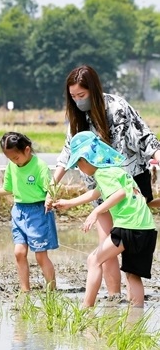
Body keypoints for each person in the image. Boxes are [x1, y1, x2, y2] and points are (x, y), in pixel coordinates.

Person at [52, 64, 160, 298]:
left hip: (130, 182)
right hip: (99, 187)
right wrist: (53, 187)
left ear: (93, 89)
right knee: (106, 244)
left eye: (81, 95)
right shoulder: (76, 117)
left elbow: (145, 140)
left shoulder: (117, 107)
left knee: (128, 252)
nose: (78, 100)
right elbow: (67, 153)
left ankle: (132, 303)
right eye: (73, 97)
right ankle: (113, 298)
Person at [53, 131, 157, 308]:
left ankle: (86, 307)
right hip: (146, 228)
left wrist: (95, 212)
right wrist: (69, 203)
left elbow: (119, 193)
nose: (79, 168)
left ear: (86, 159)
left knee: (93, 260)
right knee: (133, 275)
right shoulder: (114, 170)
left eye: (78, 163)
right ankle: (136, 319)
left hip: (129, 225)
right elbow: (97, 192)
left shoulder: (102, 174)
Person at [0, 132, 59, 292]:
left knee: (40, 255)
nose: (14, 162)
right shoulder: (12, 166)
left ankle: (52, 291)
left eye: (16, 158)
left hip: (38, 212)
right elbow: (8, 189)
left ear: (27, 150)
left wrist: (49, 199)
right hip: (19, 212)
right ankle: (25, 290)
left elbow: (51, 189)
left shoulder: (39, 166)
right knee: (19, 252)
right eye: (10, 159)